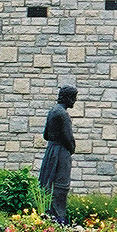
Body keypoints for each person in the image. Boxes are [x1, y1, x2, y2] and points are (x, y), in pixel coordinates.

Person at [38, 85, 77, 224]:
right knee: (61, 185)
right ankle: (58, 219)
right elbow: (68, 138)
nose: (75, 100)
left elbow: (46, 135)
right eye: (73, 97)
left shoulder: (53, 111)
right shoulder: (63, 114)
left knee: (49, 183)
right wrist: (71, 149)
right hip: (61, 152)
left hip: (51, 151)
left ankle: (49, 216)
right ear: (67, 97)